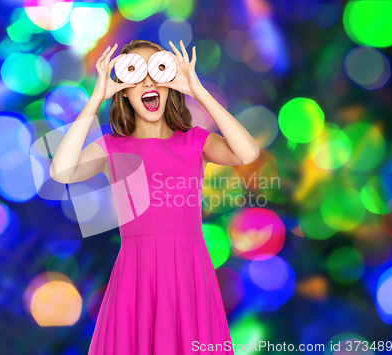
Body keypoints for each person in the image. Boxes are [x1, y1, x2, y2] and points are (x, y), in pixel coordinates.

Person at [50, 39, 260, 355]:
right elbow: (62, 172)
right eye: (134, 73)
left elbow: (247, 152)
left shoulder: (195, 142)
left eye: (157, 70)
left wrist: (197, 90)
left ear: (169, 82)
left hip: (188, 271)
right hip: (136, 277)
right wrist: (95, 99)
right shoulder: (112, 148)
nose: (148, 81)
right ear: (123, 89)